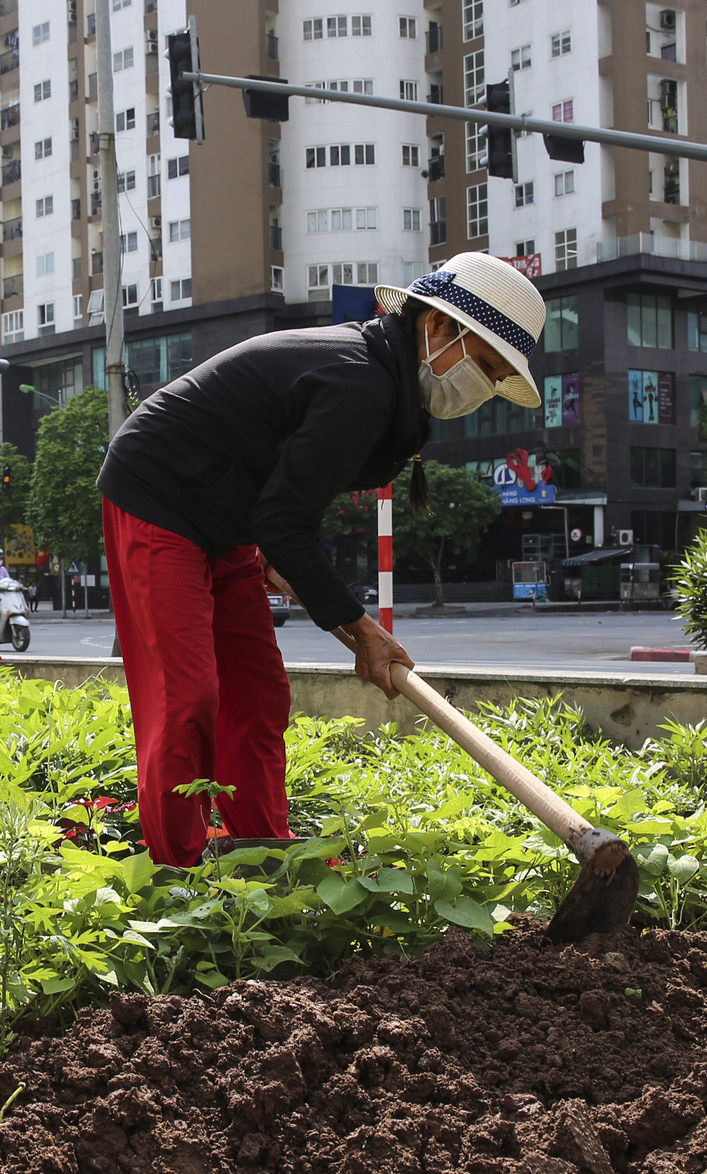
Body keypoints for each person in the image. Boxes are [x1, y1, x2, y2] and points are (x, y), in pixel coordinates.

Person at [96, 253, 545, 867]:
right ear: (438, 328)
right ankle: (178, 873)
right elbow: (285, 521)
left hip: (228, 517)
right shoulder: (360, 381)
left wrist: (283, 557)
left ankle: (266, 861)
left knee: (257, 693)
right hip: (158, 495)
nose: (483, 387)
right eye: (487, 365)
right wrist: (362, 631)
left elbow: (284, 498)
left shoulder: (386, 383)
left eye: (495, 379)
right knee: (189, 696)